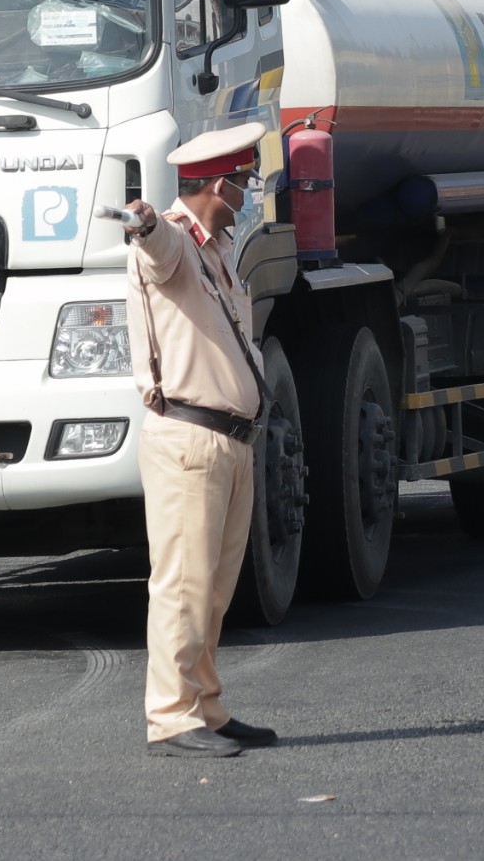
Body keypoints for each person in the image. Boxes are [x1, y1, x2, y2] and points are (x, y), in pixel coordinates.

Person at [120, 121, 276, 759]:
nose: (248, 193)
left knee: (214, 586)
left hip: (229, 440)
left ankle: (206, 706)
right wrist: (145, 220)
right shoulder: (178, 244)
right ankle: (171, 716)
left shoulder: (215, 251)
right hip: (189, 438)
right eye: (243, 182)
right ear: (219, 183)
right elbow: (154, 246)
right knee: (183, 584)